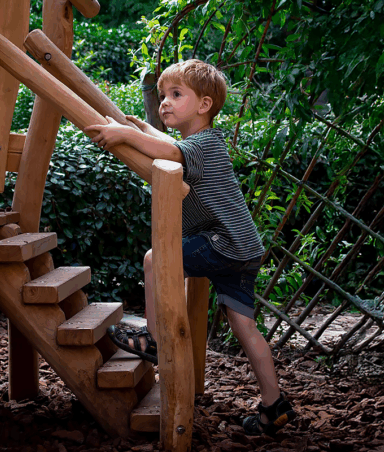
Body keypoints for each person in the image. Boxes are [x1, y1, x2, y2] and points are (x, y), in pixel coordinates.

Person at [84, 59, 296, 436]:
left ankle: (152, 338)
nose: (165, 101)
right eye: (163, 95)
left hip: (223, 243)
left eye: (176, 94)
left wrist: (125, 135)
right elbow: (171, 147)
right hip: (244, 249)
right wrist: (143, 128)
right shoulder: (201, 143)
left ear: (204, 105)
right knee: (245, 327)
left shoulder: (204, 144)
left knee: (156, 259)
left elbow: (171, 154)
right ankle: (274, 404)